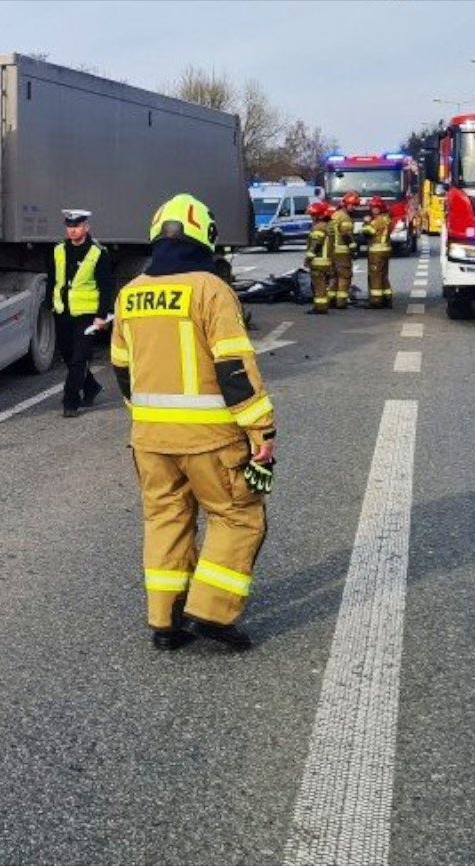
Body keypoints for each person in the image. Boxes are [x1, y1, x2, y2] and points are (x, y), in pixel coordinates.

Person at [108, 193, 276, 651]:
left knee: (166, 518)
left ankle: (165, 621)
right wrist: (261, 430)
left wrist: (146, 420)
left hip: (149, 438)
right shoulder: (210, 289)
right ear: (206, 235)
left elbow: (122, 369)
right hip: (211, 438)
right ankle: (211, 612)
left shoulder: (130, 294)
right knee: (238, 516)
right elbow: (234, 368)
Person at [45, 208, 116, 417]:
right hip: (63, 313)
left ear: (86, 227)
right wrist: (50, 303)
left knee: (79, 359)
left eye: (77, 226)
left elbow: (106, 286)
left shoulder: (98, 252)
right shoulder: (58, 250)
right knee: (68, 357)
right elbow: (52, 279)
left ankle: (70, 402)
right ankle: (92, 387)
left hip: (87, 315)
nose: (73, 230)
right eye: (69, 226)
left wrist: (102, 315)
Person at [362, 195, 394, 309]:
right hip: (386, 250)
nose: (373, 209)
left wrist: (366, 223)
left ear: (379, 208)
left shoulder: (377, 221)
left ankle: (376, 301)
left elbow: (368, 232)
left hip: (376, 252)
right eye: (372, 207)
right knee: (383, 276)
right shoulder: (387, 218)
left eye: (374, 207)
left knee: (375, 276)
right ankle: (387, 298)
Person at [329, 192, 359, 309]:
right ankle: (341, 302)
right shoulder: (345, 217)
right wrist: (353, 249)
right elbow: (346, 235)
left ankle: (330, 300)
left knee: (333, 277)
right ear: (346, 204)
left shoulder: (335, 215)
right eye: (352, 205)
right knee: (344, 276)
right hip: (341, 252)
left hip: (332, 251)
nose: (354, 208)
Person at [304, 200, 334, 314]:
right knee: (323, 284)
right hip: (326, 260)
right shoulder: (328, 226)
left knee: (319, 285)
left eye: (313, 215)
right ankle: (322, 305)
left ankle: (320, 307)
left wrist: (308, 258)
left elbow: (316, 244)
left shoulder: (318, 227)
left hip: (318, 261)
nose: (311, 218)